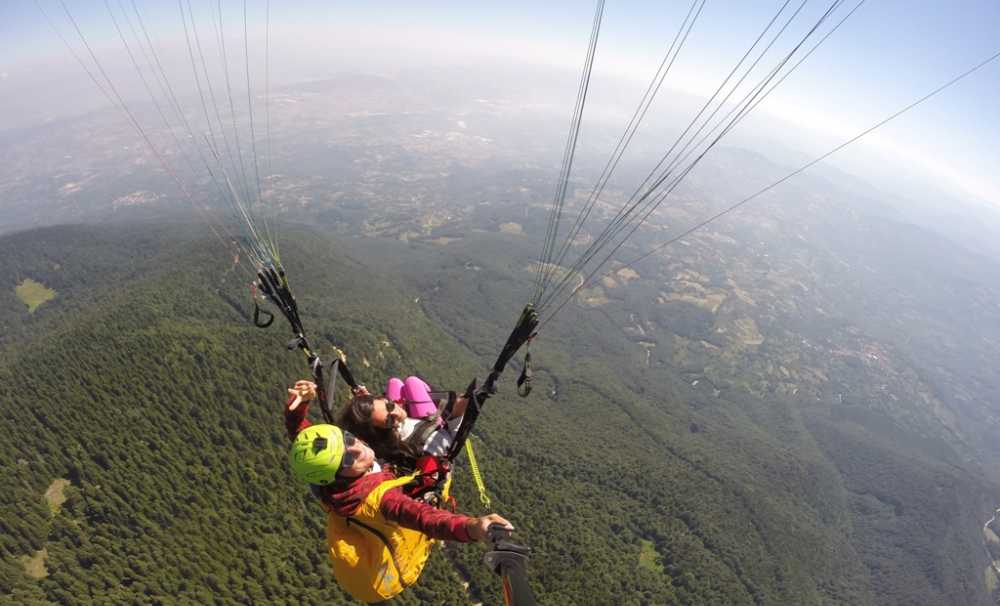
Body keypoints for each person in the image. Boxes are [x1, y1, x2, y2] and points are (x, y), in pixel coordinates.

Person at [284, 380, 510, 604]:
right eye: (347, 458)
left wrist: (298, 407)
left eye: (349, 439)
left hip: (361, 568)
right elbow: (424, 518)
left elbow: (303, 439)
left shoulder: (326, 478)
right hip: (387, 575)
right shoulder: (379, 499)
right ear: (336, 474)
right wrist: (473, 527)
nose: (358, 448)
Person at [338, 375, 470, 467]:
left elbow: (383, 417)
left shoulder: (384, 432)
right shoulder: (432, 448)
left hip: (414, 425)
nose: (397, 412)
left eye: (389, 405)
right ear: (384, 431)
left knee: (394, 382)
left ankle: (381, 411)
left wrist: (368, 402)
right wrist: (461, 406)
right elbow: (455, 435)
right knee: (412, 382)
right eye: (390, 419)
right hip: (428, 428)